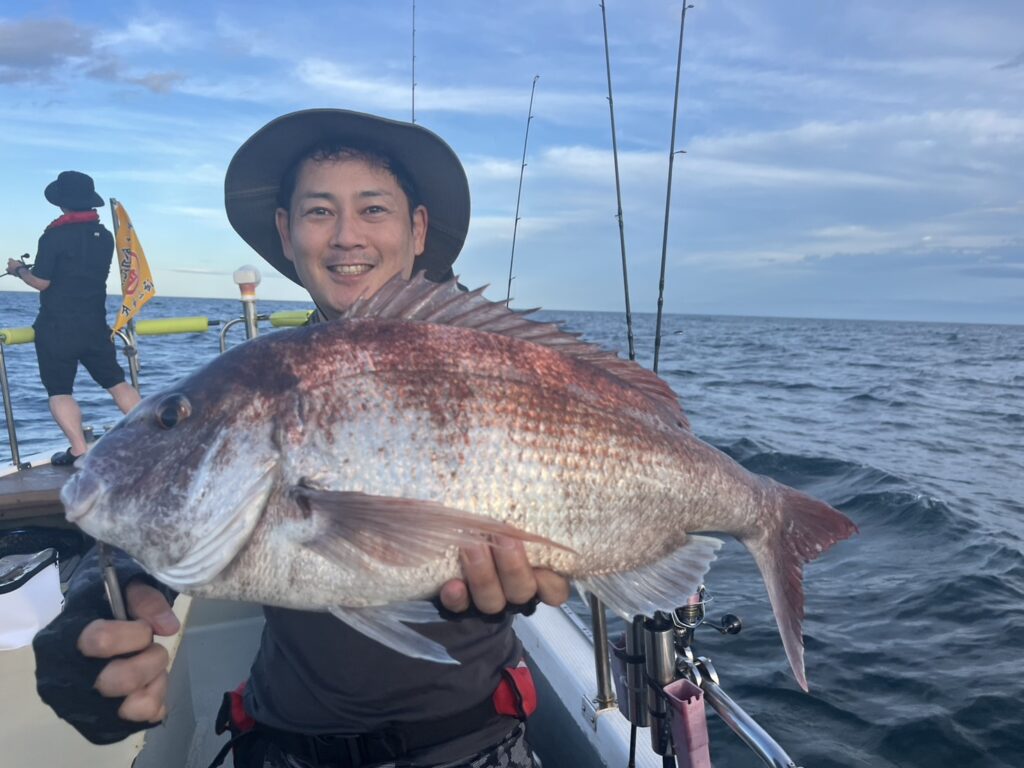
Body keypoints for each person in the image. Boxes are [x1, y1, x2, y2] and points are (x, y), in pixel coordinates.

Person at [33, 110, 571, 767]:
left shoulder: (493, 364)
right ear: (287, 232)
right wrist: (94, 612)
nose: (346, 236)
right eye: (319, 212)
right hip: (285, 743)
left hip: (472, 742)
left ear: (417, 228)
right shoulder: (255, 383)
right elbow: (168, 513)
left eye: (373, 209)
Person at [5, 170, 141, 466]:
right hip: (95, 324)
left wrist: (18, 270)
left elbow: (41, 282)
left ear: (61, 203)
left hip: (57, 327)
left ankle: (80, 449)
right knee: (117, 382)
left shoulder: (53, 236)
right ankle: (150, 436)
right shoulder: (105, 237)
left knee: (59, 390)